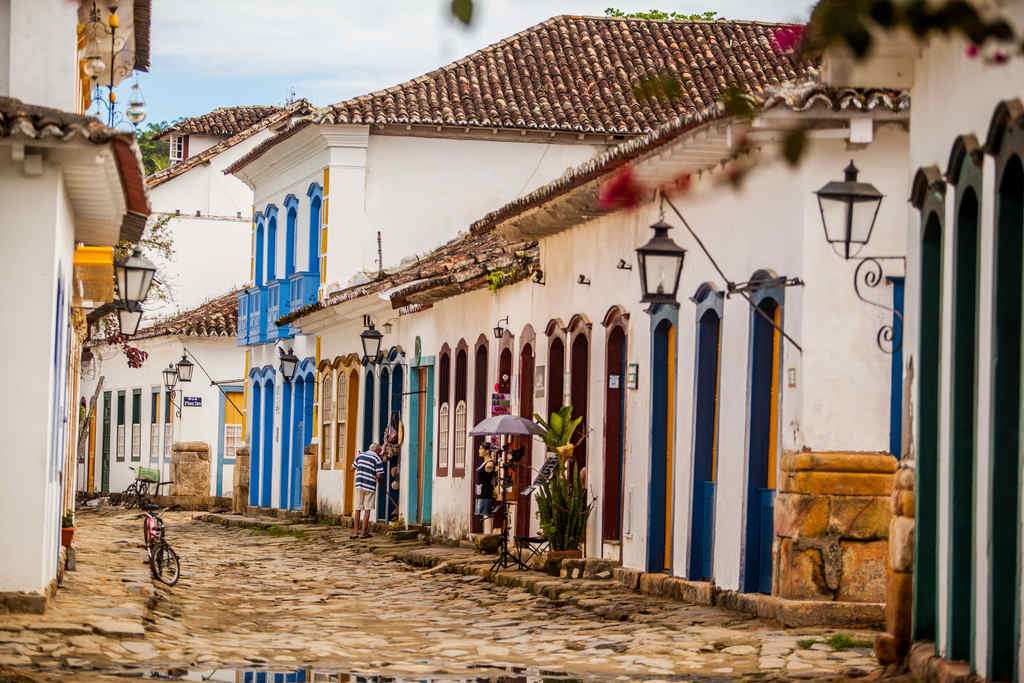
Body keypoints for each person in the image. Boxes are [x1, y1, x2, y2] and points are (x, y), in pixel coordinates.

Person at [351, 443, 383, 539]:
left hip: (359, 485)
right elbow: (379, 476)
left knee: (357, 509)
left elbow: (352, 468)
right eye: (379, 451)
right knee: (367, 509)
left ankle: (355, 533)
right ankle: (363, 533)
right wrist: (381, 483)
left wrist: (362, 468)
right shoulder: (377, 459)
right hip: (369, 486)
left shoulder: (360, 455)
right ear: (377, 451)